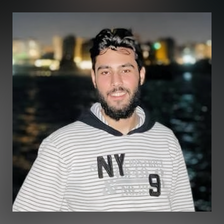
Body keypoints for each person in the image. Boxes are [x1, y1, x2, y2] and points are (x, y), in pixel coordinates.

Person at [13, 28, 195, 212]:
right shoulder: (61, 147)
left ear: (141, 75)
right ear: (94, 78)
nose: (116, 82)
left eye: (125, 70)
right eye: (105, 72)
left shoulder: (167, 141)